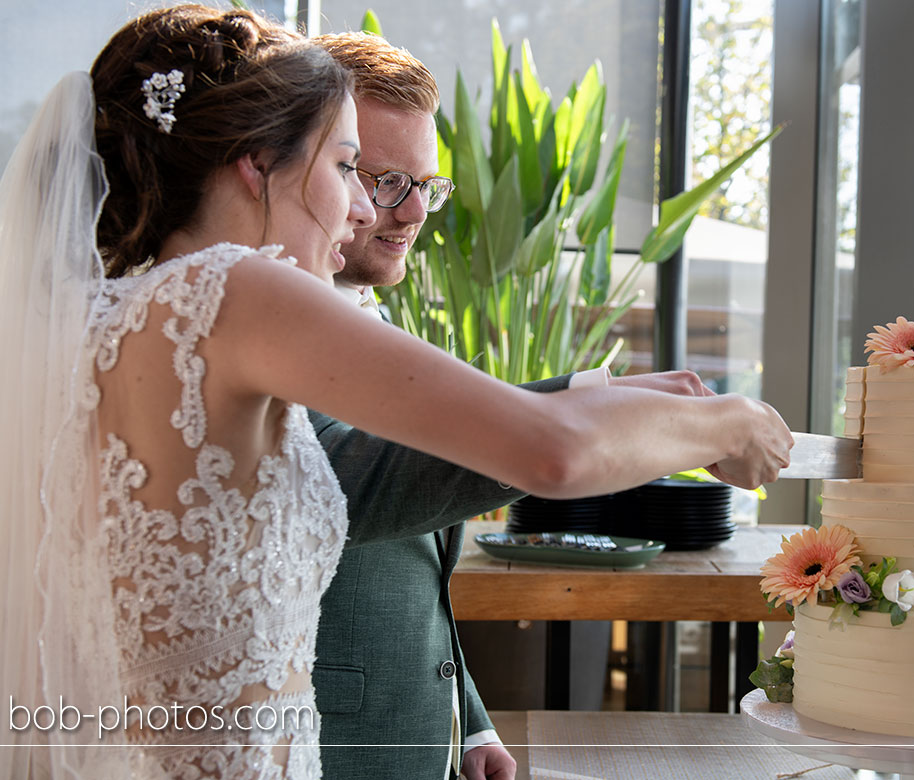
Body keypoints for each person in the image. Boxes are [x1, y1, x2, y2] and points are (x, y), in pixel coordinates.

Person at [0, 5, 793, 779]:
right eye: (346, 166)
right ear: (256, 163)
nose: (354, 208)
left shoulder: (97, 320)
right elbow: (556, 452)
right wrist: (730, 420)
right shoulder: (237, 289)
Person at [308, 32, 713, 780]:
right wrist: (601, 404)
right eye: (380, 179)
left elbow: (412, 575)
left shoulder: (366, 305)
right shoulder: (274, 318)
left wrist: (466, 724)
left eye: (426, 185)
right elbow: (359, 489)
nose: (407, 213)